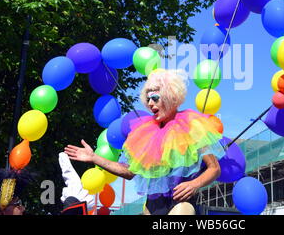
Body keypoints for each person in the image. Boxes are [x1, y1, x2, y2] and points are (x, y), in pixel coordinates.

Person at [65, 69, 225, 215]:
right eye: (148, 99)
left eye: (155, 98)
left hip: (181, 203)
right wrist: (94, 158)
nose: (150, 103)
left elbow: (214, 168)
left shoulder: (192, 125)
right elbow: (129, 172)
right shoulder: (144, 132)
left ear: (171, 97)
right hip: (152, 206)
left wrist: (194, 184)